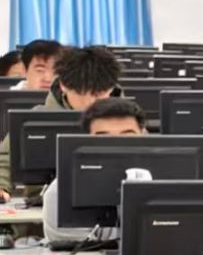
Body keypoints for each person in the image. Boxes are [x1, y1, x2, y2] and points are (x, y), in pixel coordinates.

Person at [0, 44, 123, 200]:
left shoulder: (129, 121)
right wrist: (1, 186)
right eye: (81, 92)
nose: (90, 101)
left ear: (111, 88)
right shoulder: (36, 119)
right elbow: (5, 160)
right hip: (43, 205)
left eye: (98, 94)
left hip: (114, 203)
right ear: (63, 85)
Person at [42, 98, 147, 242]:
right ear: (87, 141)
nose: (117, 146)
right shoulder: (61, 192)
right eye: (105, 138)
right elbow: (75, 251)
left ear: (144, 135)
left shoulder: (169, 181)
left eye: (127, 137)